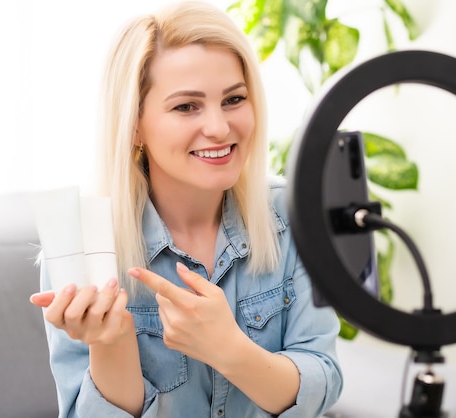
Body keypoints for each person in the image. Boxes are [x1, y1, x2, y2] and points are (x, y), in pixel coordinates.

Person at [29, 1, 343, 417]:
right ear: (135, 123)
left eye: (233, 99)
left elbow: (324, 380)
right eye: (186, 106)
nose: (218, 127)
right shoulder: (86, 253)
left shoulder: (293, 216)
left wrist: (230, 351)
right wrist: (111, 342)